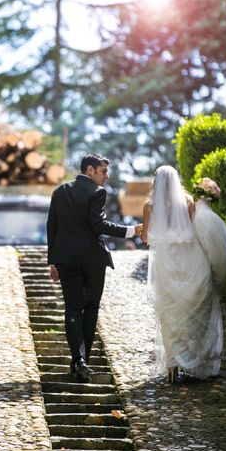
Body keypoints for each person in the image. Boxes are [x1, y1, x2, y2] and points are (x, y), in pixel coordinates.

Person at [47, 153, 143, 383]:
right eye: (103, 171)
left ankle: (78, 360)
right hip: (92, 260)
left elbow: (52, 226)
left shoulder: (59, 191)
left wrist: (53, 260)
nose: (107, 176)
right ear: (90, 170)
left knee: (72, 309)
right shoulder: (97, 192)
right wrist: (131, 230)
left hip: (66, 260)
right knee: (90, 308)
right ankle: (83, 361)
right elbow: (97, 225)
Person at [140, 166, 226, 383]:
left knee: (168, 309)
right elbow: (197, 229)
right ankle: (189, 357)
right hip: (189, 260)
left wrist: (149, 230)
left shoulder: (149, 206)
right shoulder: (188, 201)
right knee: (190, 308)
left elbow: (144, 238)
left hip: (165, 263)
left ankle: (172, 363)